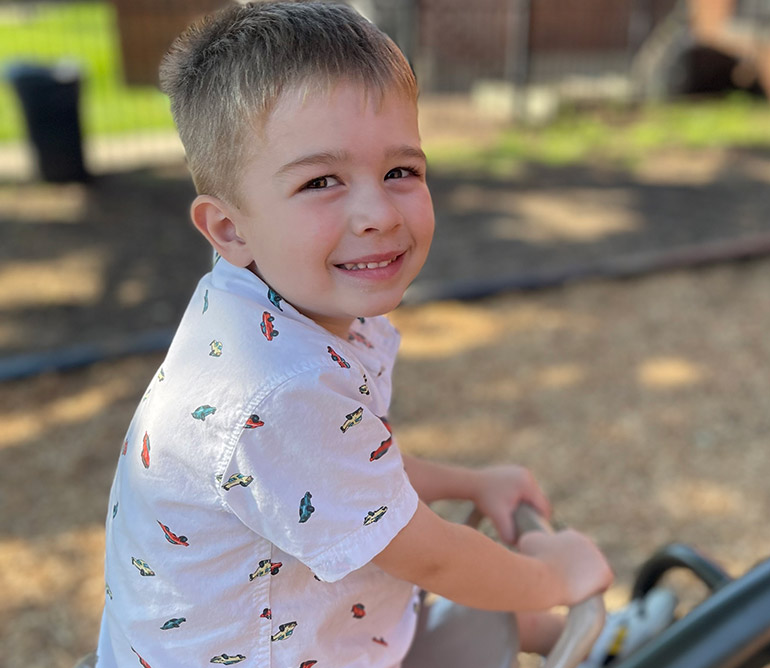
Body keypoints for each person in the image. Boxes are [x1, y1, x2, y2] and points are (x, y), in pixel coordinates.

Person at [96, 2, 675, 666]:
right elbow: (430, 555)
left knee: (458, 618)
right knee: (473, 595)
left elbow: (344, 469)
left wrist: (468, 482)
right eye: (321, 182)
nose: (377, 212)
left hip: (311, 622)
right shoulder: (274, 388)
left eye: (400, 170)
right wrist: (557, 577)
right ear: (229, 229)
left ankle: (606, 643)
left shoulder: (272, 296)